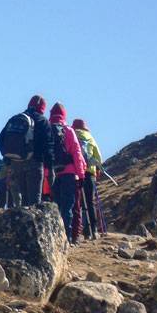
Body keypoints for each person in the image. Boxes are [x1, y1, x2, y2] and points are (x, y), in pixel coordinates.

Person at [0, 95, 54, 207]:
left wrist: (8, 159)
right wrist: (50, 168)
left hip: (16, 164)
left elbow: (0, 139)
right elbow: (48, 147)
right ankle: (32, 224)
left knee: (24, 200)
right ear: (42, 108)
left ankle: (22, 222)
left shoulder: (16, 119)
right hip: (35, 164)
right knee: (34, 202)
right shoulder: (42, 121)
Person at [48, 103, 86, 243]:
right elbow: (77, 153)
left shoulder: (48, 130)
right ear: (64, 115)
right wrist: (81, 175)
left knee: (57, 206)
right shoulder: (69, 131)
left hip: (53, 174)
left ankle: (57, 237)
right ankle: (68, 238)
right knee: (68, 206)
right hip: (69, 173)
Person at [72, 119, 103, 240]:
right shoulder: (90, 137)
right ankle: (92, 230)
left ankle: (77, 230)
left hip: (75, 173)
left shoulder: (72, 134)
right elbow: (98, 157)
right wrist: (96, 169)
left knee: (77, 203)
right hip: (89, 173)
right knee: (90, 202)